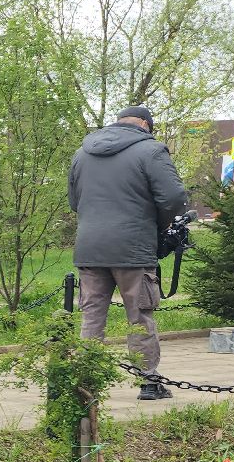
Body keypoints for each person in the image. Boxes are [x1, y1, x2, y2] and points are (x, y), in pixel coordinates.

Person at [68, 105, 189, 401]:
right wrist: (160, 226)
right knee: (139, 316)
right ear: (147, 124)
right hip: (133, 247)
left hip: (90, 245)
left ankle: (87, 383)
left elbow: (74, 202)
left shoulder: (82, 153)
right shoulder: (151, 150)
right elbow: (174, 198)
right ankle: (148, 383)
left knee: (92, 316)